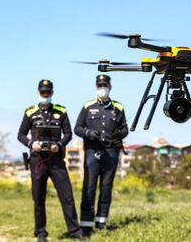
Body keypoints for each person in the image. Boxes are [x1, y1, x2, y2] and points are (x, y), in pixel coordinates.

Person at [18, 79, 83, 241]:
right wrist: (32, 144)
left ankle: (75, 231)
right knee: (38, 197)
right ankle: (40, 232)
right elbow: (20, 134)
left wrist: (60, 144)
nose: (45, 95)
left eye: (48, 92)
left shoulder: (61, 111)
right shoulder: (29, 112)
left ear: (52, 93)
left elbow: (68, 133)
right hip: (38, 160)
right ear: (38, 92)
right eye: (42, 92)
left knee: (67, 196)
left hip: (56, 159)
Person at [74, 74, 129, 236]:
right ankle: (85, 225)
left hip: (111, 153)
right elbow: (77, 128)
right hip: (92, 152)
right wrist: (89, 133)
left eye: (105, 86)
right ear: (95, 87)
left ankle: (101, 223)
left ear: (110, 87)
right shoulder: (87, 106)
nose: (102, 89)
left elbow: (125, 129)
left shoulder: (118, 107)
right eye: (100, 86)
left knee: (106, 188)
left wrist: (117, 135)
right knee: (89, 188)